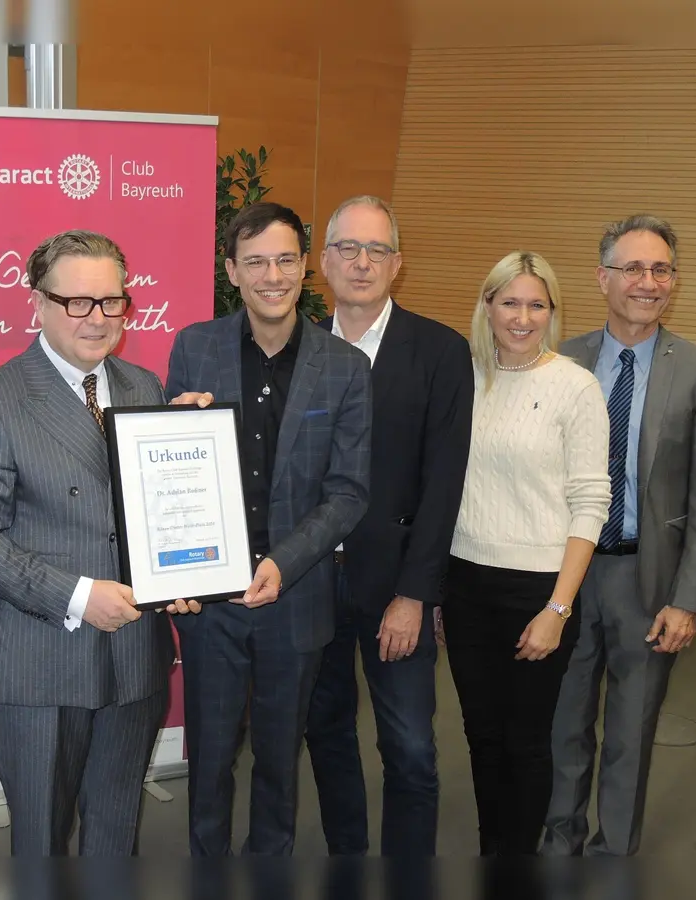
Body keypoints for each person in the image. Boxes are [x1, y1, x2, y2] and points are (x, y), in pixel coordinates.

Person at [0, 230, 200, 856]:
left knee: (116, 837)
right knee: (40, 844)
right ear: (37, 303)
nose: (98, 319)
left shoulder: (145, 388)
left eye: (112, 302)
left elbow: (153, 517)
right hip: (40, 661)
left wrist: (185, 574)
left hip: (134, 655)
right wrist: (79, 596)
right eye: (77, 302)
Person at [167, 201, 372, 857]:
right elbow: (169, 475)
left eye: (285, 259)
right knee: (210, 768)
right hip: (212, 602)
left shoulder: (344, 366)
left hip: (296, 597)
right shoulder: (194, 348)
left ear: (305, 267)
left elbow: (348, 492)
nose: (272, 275)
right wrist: (176, 426)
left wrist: (283, 563)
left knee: (280, 772)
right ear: (232, 270)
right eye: (255, 261)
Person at [542, 215, 696, 856]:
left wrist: (689, 598)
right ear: (602, 278)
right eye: (632, 268)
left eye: (661, 270)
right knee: (564, 723)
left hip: (646, 581)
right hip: (566, 574)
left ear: (673, 282)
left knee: (631, 731)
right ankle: (558, 843)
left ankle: (612, 856)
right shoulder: (559, 360)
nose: (647, 283)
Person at [302, 195, 471, 858]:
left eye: (376, 250)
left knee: (409, 745)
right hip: (312, 582)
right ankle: (347, 858)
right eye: (348, 248)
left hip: (396, 585)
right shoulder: (298, 347)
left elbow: (443, 483)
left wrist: (416, 593)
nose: (361, 262)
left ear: (397, 264)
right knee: (327, 730)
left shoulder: (439, 351)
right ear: (324, 262)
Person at [444, 250, 610, 856]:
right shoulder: (460, 378)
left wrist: (558, 609)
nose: (522, 316)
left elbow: (591, 501)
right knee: (482, 737)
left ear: (552, 312)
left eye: (536, 304)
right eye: (509, 302)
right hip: (464, 585)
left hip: (539, 590)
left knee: (526, 740)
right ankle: (497, 856)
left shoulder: (574, 386)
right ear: (486, 307)